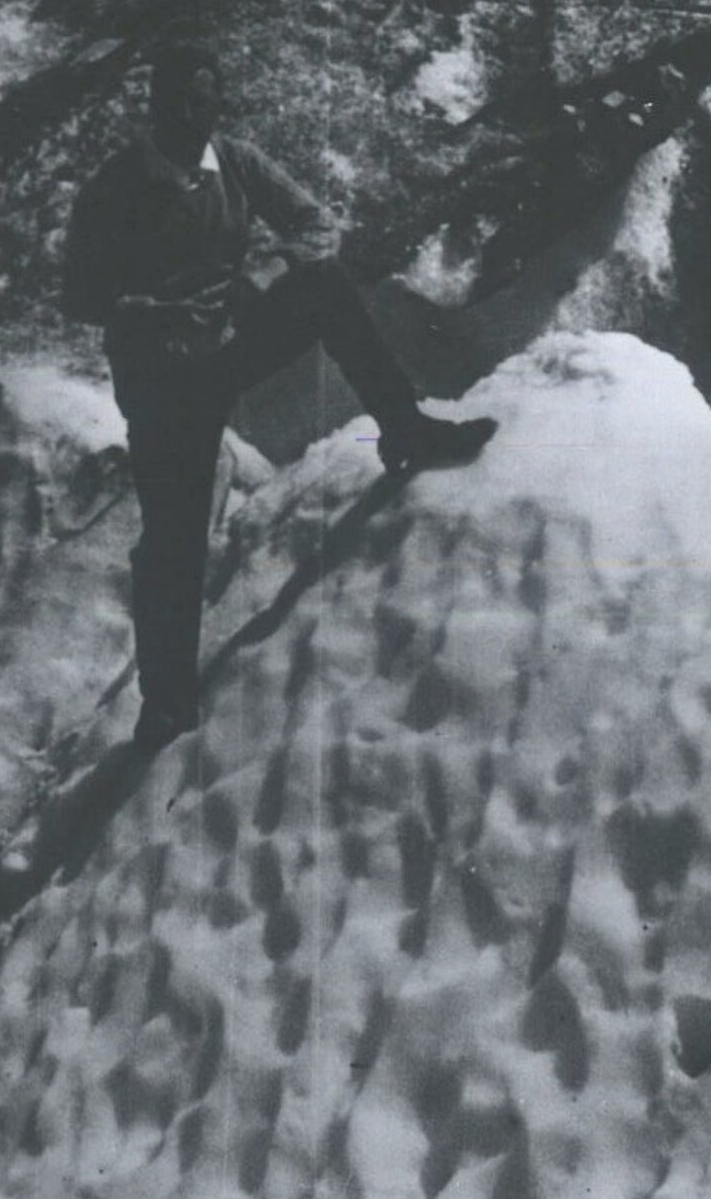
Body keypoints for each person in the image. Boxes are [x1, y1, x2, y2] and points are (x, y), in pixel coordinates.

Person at [63, 46, 494, 749]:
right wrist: (151, 309)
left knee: (324, 287)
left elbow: (315, 223)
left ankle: (403, 427)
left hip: (225, 343)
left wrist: (261, 276)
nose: (191, 116)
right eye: (178, 102)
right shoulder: (114, 191)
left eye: (204, 102)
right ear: (154, 106)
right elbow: (80, 295)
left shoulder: (231, 160)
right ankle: (166, 701)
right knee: (173, 542)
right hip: (162, 381)